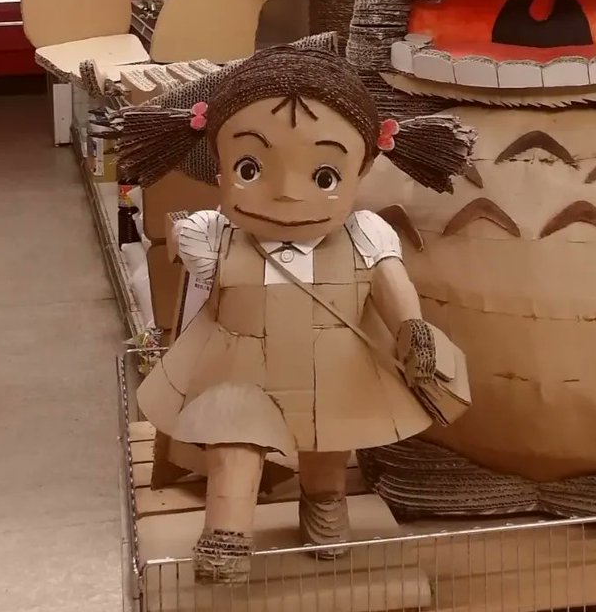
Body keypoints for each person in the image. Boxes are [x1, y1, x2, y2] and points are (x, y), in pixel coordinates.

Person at [119, 45, 473, 582]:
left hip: (334, 366)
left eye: (325, 176)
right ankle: (227, 531)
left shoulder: (365, 235)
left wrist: (413, 331)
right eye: (250, 168)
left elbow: (392, 287)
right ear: (218, 163)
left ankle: (324, 502)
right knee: (234, 437)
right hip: (239, 366)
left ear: (362, 169)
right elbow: (202, 295)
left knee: (327, 441)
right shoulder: (210, 235)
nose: (286, 194)